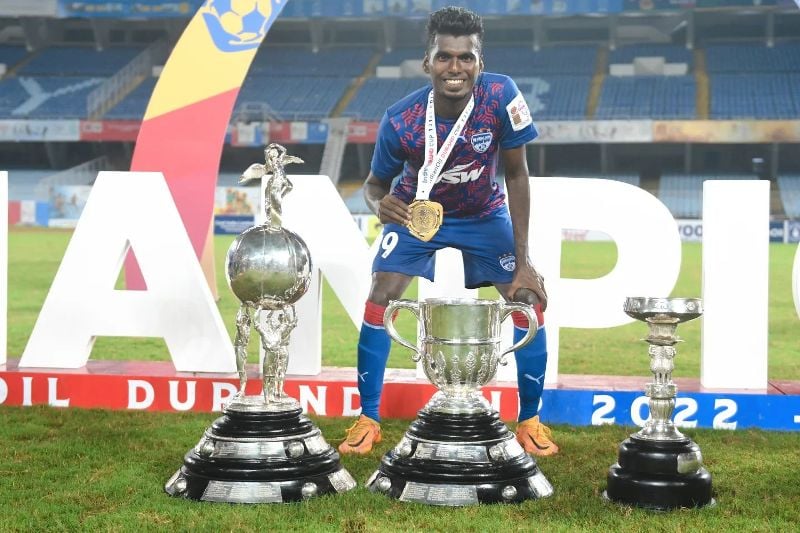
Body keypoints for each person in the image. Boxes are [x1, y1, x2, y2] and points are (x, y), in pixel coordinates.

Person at [338, 6, 557, 457]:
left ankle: (530, 421)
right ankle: (368, 418)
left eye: (465, 58)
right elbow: (374, 186)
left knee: (527, 299)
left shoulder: (502, 96)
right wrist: (382, 205)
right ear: (428, 62)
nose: (454, 67)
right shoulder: (400, 119)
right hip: (416, 215)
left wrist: (524, 262)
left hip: (483, 214)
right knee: (381, 294)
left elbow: (517, 175)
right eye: (444, 57)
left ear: (480, 62)